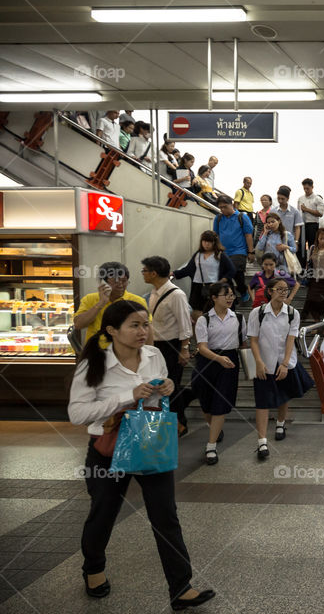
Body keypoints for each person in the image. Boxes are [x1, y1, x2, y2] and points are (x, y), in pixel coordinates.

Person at [67, 300, 216, 610]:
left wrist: (166, 388)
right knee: (103, 513)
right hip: (107, 449)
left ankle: (181, 587)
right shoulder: (93, 363)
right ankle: (93, 568)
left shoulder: (154, 355)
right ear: (111, 330)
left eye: (145, 324)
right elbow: (77, 413)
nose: (143, 331)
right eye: (134, 325)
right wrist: (127, 396)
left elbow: (157, 399)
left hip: (149, 442)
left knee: (165, 515)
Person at [247, 278, 313, 460]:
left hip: (284, 361)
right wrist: (259, 362)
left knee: (283, 395)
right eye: (280, 289)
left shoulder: (292, 313)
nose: (284, 292)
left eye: (286, 290)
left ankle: (280, 423)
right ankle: (261, 442)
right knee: (262, 401)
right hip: (263, 362)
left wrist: (285, 364)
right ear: (270, 291)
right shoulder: (257, 313)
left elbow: (291, 339)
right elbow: (252, 339)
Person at [192, 282, 245, 465]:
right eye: (226, 295)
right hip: (208, 361)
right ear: (214, 298)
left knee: (220, 403)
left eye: (232, 295)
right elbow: (202, 348)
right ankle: (214, 425)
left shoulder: (238, 317)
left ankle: (211, 446)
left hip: (230, 362)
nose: (231, 298)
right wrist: (218, 359)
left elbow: (244, 343)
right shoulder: (204, 319)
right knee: (206, 401)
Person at [141, 256, 193, 436]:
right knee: (161, 385)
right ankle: (169, 420)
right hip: (155, 345)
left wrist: (184, 349)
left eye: (145, 271)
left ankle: (181, 423)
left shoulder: (176, 294)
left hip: (172, 346)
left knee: (171, 385)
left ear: (154, 273)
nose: (143, 274)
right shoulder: (153, 293)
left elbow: (185, 323)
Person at [75, 262, 151, 348]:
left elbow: (148, 328)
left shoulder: (137, 301)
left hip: (127, 352)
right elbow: (78, 325)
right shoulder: (90, 299)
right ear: (104, 282)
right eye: (115, 281)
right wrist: (101, 303)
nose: (121, 285)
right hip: (97, 352)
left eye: (124, 281)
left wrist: (148, 353)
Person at [173, 231, 236, 319]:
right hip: (197, 287)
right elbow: (188, 269)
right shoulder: (198, 255)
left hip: (213, 286)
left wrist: (220, 282)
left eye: (209, 241)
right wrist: (173, 273)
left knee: (213, 312)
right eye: (204, 241)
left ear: (214, 242)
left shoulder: (219, 255)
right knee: (196, 313)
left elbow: (231, 270)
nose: (206, 244)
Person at [213, 195, 255, 303]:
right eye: (220, 207)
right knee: (227, 275)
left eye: (225, 207)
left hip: (239, 251)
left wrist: (251, 252)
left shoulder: (242, 217)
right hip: (224, 253)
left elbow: (248, 235)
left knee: (235, 272)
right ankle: (232, 296)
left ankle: (243, 291)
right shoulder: (218, 218)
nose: (222, 209)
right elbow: (216, 235)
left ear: (231, 204)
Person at [301, 227, 324, 321]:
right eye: (320, 238)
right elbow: (309, 263)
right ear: (317, 238)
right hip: (314, 280)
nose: (322, 241)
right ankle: (317, 323)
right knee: (310, 301)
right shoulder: (313, 248)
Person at [272, 186, 304, 258]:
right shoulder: (273, 211)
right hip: (275, 240)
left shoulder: (295, 211)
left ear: (288, 198)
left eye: (282, 199)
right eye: (278, 198)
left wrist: (296, 241)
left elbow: (297, 228)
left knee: (289, 261)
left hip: (289, 241)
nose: (280, 201)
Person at [298, 178, 324, 264]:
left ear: (312, 187)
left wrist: (307, 209)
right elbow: (299, 212)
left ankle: (313, 265)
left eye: (307, 188)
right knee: (301, 246)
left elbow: (320, 213)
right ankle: (301, 266)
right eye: (304, 188)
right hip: (302, 224)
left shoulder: (317, 199)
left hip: (313, 225)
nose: (306, 190)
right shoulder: (300, 198)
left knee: (312, 246)